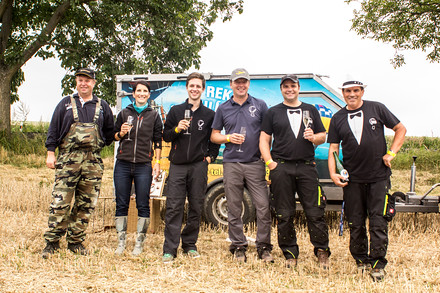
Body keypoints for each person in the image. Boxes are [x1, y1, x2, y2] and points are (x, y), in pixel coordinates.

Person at [327, 80, 406, 281]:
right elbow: (334, 148)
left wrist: (391, 154)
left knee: (378, 222)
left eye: (355, 90)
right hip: (352, 179)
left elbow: (400, 129)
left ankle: (378, 263)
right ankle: (361, 259)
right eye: (347, 91)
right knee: (356, 222)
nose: (352, 94)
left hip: (378, 177)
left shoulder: (377, 108)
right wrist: (334, 173)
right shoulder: (337, 118)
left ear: (362, 91)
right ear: (342, 93)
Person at [259, 74, 331, 269]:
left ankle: (321, 251)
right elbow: (264, 140)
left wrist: (314, 137)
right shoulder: (273, 112)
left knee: (315, 211)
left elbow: (323, 136)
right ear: (281, 89)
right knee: (284, 213)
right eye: (286, 87)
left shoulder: (311, 110)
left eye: (293, 86)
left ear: (298, 88)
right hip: (281, 167)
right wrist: (270, 163)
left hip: (307, 167)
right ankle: (290, 253)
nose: (289, 89)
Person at [42, 68, 115, 258]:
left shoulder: (103, 106)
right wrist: (51, 153)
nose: (84, 83)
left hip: (92, 161)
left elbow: (109, 135)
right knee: (60, 202)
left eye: (87, 80)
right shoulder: (65, 104)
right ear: (76, 82)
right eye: (80, 80)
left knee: (86, 204)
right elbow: (53, 130)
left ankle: (76, 241)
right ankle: (52, 241)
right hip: (68, 159)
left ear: (94, 83)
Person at [211, 68, 273, 263]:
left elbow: (267, 134)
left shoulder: (260, 105)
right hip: (232, 164)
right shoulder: (223, 108)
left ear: (248, 84)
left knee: (263, 206)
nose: (241, 85)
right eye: (237, 82)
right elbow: (214, 136)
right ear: (231, 84)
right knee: (234, 207)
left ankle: (264, 247)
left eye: (244, 81)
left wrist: (266, 156)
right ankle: (238, 246)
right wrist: (228, 137)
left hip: (255, 163)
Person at [161, 72, 219, 263]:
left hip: (198, 166)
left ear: (202, 89)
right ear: (187, 88)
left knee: (196, 206)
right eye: (191, 85)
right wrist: (177, 128)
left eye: (198, 86)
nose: (194, 89)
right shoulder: (176, 110)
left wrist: (210, 158)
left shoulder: (209, 114)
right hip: (177, 165)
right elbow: (166, 136)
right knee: (174, 207)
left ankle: (190, 245)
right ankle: (170, 249)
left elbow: (214, 140)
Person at [113, 80, 163, 256]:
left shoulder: (154, 115)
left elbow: (158, 141)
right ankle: (121, 241)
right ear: (133, 94)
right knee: (121, 203)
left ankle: (139, 243)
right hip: (123, 164)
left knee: (143, 203)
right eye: (138, 91)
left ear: (149, 95)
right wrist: (121, 133)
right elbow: (114, 135)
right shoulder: (124, 113)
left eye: (145, 91)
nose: (141, 94)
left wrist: (157, 162)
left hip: (143, 164)